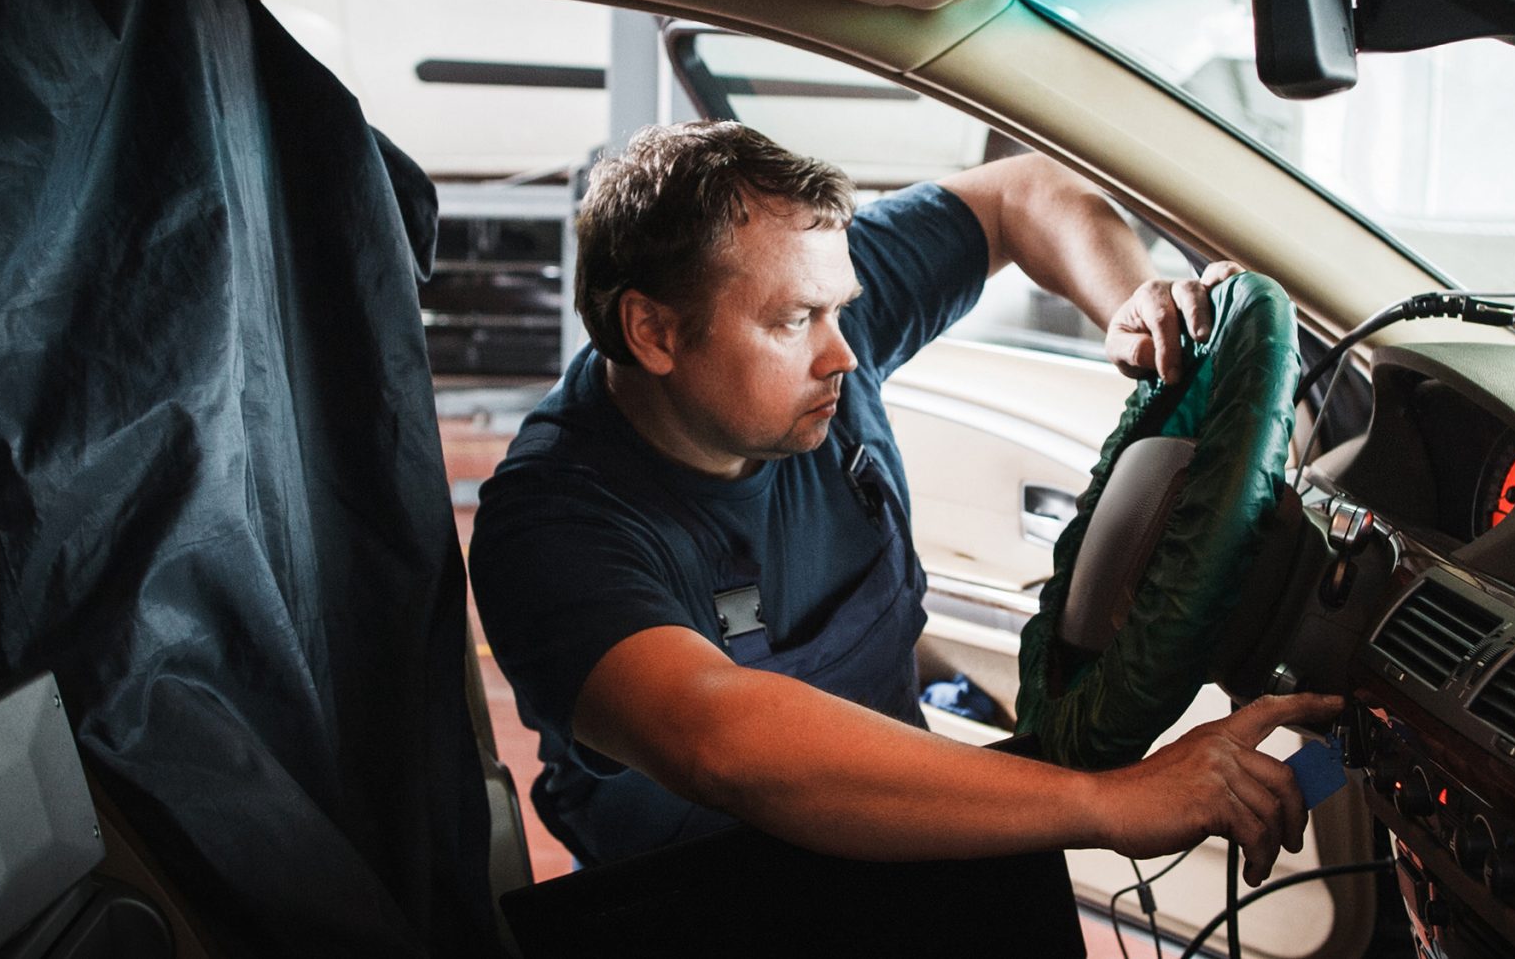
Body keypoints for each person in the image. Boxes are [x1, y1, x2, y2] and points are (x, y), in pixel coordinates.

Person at [468, 121, 1339, 884]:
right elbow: (724, 743)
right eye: (792, 321)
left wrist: (1130, 307)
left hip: (892, 834)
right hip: (698, 898)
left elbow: (1022, 193)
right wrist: (1104, 804)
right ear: (652, 332)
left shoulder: (815, 293)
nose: (844, 354)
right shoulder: (552, 527)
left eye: (839, 308)